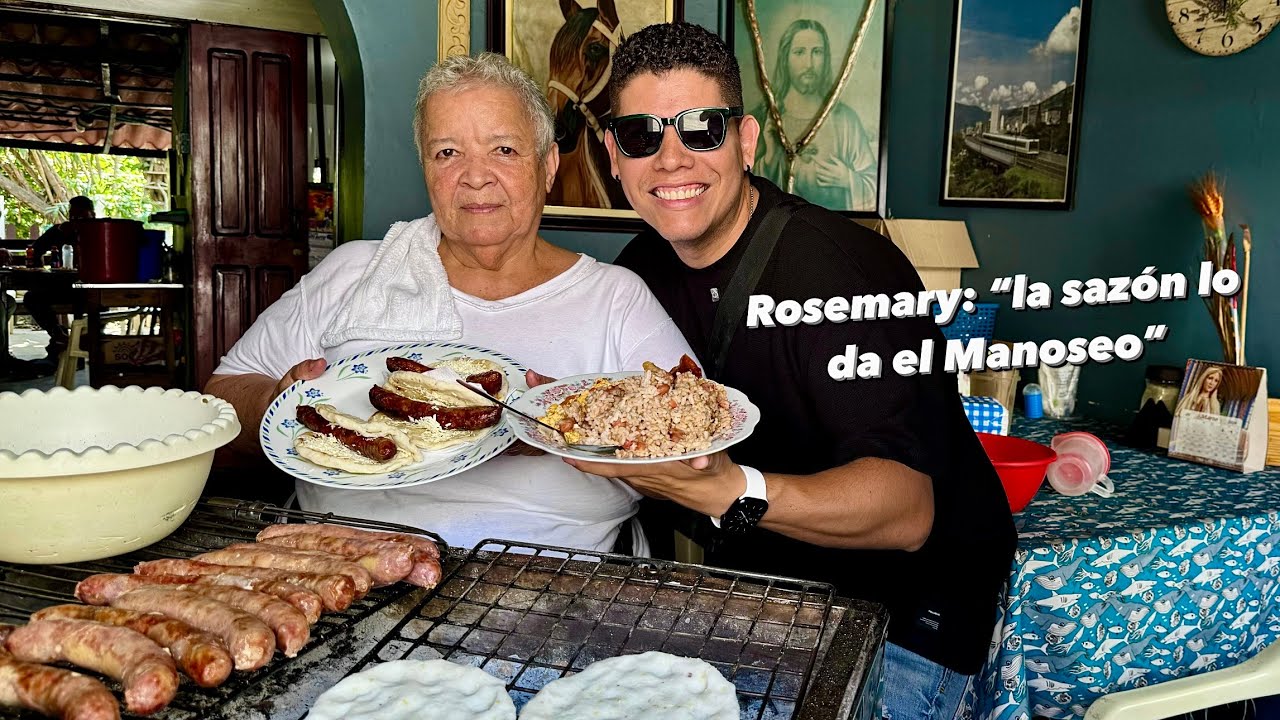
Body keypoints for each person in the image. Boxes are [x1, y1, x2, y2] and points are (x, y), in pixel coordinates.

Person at [547, 22, 1016, 719]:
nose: (671, 160)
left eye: (701, 129)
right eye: (643, 135)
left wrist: (733, 492)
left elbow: (907, 511)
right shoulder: (640, 272)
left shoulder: (840, 272)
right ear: (614, 154)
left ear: (744, 140)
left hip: (905, 618)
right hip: (763, 595)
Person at [204, 52, 695, 555]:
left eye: (504, 149)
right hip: (342, 570)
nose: (475, 176)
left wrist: (572, 426)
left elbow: (694, 453)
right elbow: (219, 400)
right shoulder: (355, 270)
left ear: (547, 165)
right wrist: (280, 407)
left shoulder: (615, 296)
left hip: (556, 585)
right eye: (447, 153)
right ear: (425, 169)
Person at [751, 18, 877, 211]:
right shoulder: (764, 119)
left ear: (826, 58)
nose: (809, 63)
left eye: (817, 52)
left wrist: (848, 179)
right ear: (785, 58)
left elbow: (872, 185)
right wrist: (768, 159)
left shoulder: (845, 120)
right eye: (799, 52)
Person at [23, 195, 94, 361]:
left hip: (91, 288)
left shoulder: (100, 231)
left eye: (82, 217)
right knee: (32, 298)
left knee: (85, 302)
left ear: (93, 215)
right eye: (73, 217)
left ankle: (82, 342)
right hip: (63, 286)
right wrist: (38, 264)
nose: (77, 221)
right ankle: (58, 333)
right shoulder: (60, 231)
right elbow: (35, 250)